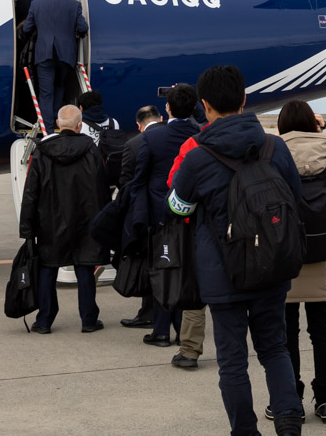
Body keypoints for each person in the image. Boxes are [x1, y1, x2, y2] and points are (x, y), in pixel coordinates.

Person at [169, 65, 307, 436]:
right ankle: (289, 424)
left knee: (232, 362)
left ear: (206, 106)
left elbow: (177, 206)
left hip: (223, 272)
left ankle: (244, 431)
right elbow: (295, 198)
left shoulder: (197, 156)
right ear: (245, 100)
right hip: (271, 265)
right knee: (275, 349)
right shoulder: (273, 146)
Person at [274, 99, 326, 424]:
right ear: (311, 123)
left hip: (287, 256)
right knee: (322, 330)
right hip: (323, 254)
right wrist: (322, 133)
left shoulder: (274, 151)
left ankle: (291, 400)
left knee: (287, 334)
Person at [131, 85, 207, 368]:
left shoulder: (154, 137)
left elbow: (139, 180)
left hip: (162, 213)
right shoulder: (200, 133)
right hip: (196, 215)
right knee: (190, 272)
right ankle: (180, 331)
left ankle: (161, 330)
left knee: (164, 269)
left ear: (167, 109)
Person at [18, 104, 110, 334]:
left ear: (58, 124)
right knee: (84, 267)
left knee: (48, 268)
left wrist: (27, 227)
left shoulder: (42, 151)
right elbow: (101, 189)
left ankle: (45, 320)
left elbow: (31, 193)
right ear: (80, 126)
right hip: (84, 219)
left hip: (50, 220)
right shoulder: (91, 150)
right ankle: (88, 319)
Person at [20, 0, 88, 133]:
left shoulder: (37, 4)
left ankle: (48, 131)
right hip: (66, 55)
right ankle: (60, 124)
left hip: (44, 54)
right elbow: (83, 28)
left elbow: (27, 29)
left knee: (46, 93)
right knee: (60, 87)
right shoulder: (74, 5)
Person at [118, 105, 164, 329]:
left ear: (138, 125)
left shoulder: (133, 144)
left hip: (146, 215)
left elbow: (126, 183)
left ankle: (149, 313)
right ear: (161, 118)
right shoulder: (178, 137)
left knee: (150, 264)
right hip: (176, 212)